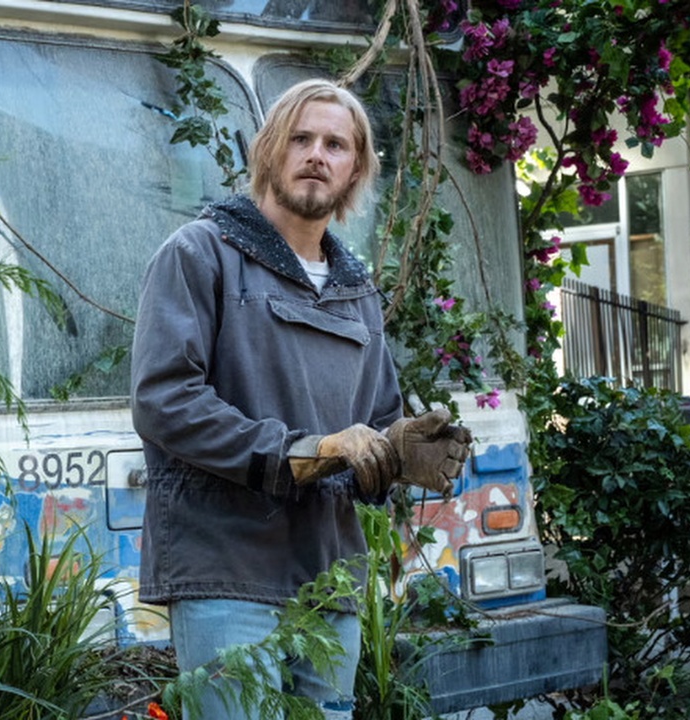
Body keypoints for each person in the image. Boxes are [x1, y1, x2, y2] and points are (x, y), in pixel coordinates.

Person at [129, 78, 472, 719]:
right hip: (226, 573)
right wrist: (305, 450)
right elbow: (164, 400)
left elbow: (376, 421)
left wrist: (398, 451)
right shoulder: (202, 254)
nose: (317, 154)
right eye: (302, 138)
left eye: (336, 145)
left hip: (329, 580)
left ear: (355, 172)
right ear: (270, 152)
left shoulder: (355, 290)